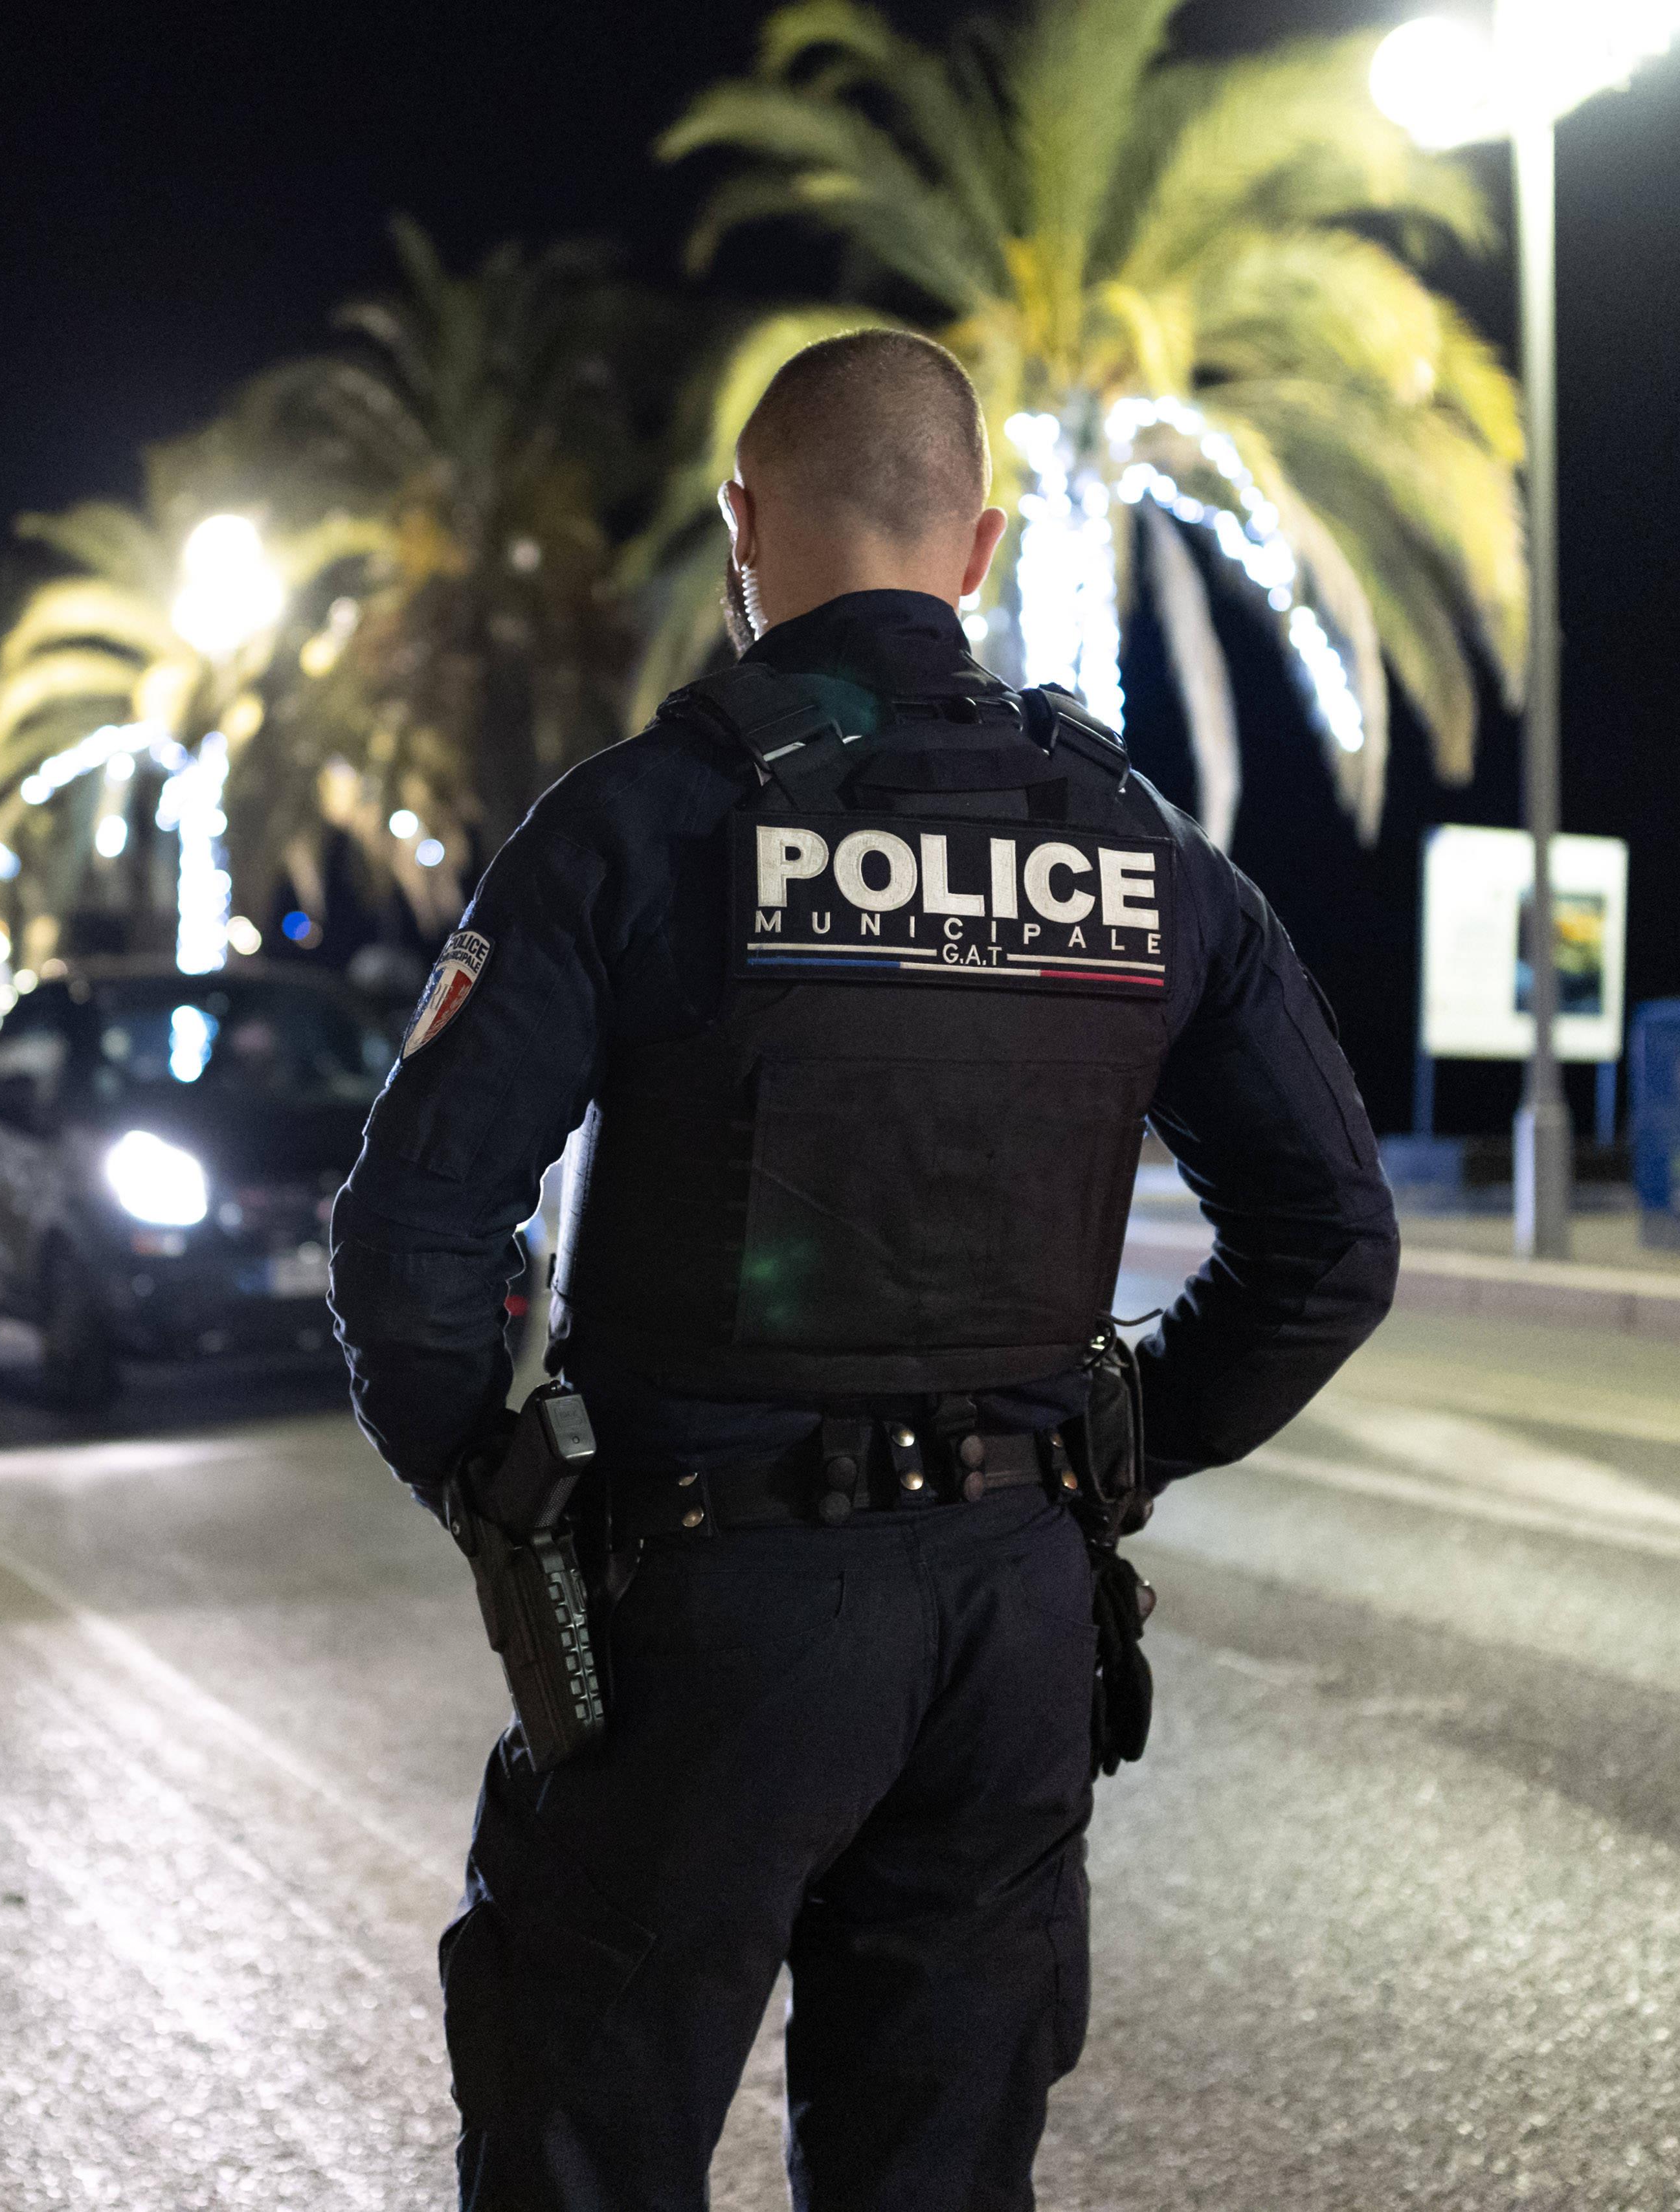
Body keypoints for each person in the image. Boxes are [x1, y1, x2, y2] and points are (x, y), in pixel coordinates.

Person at [328, 331, 1400, 2211]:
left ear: (741, 526)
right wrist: (1109, 1446)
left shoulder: (644, 821)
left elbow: (412, 1233)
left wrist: (499, 1495)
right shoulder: (1139, 847)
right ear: (976, 545)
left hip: (702, 1600)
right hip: (1014, 1623)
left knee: (585, 2144)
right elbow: (1327, 1244)